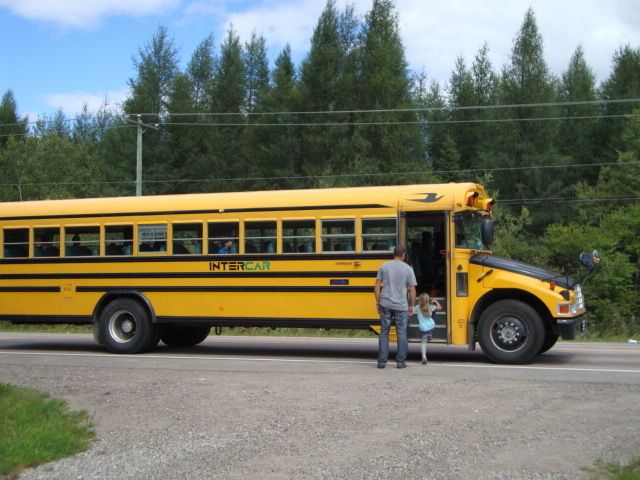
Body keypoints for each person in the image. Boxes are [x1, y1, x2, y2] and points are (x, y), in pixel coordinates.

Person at [374, 245, 417, 369]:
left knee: (384, 333)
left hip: (385, 304)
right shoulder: (408, 269)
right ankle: (400, 362)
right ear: (403, 255)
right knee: (402, 333)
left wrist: (378, 302)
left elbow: (376, 287)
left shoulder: (384, 266)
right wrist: (412, 306)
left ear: (394, 254)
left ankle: (382, 362)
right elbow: (412, 289)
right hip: (401, 306)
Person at [416, 293, 442, 365]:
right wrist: (436, 301)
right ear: (428, 300)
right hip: (431, 325)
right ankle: (429, 334)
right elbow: (439, 308)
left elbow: (410, 311)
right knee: (433, 315)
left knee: (423, 343)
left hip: (423, 328)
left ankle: (424, 357)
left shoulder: (417, 307)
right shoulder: (431, 307)